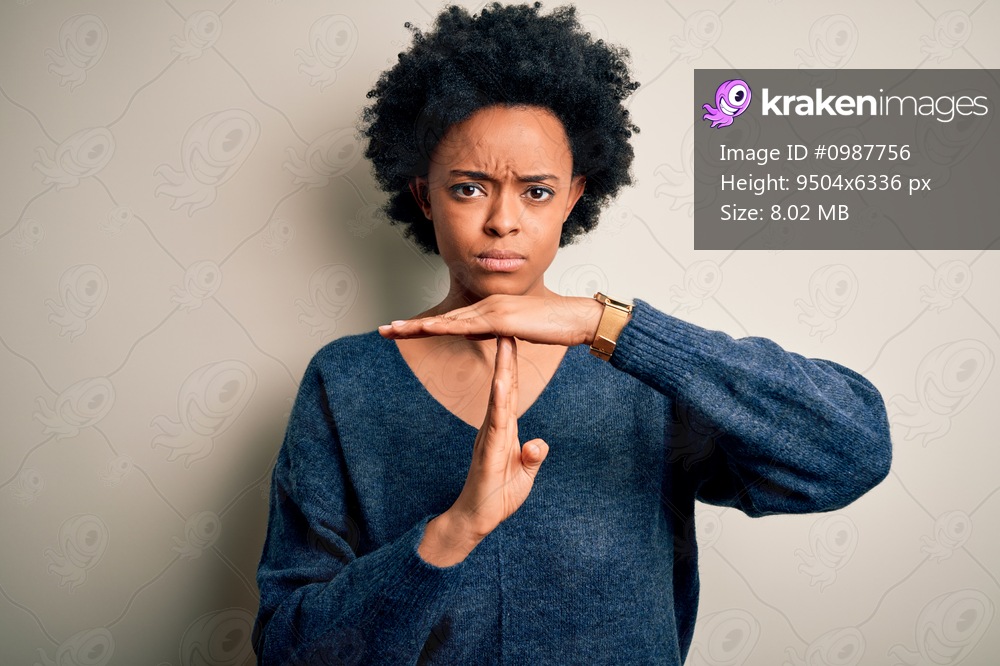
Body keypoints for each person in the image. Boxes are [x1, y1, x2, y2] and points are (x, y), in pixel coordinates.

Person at [252, 3, 892, 664]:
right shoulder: (347, 381)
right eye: (470, 189)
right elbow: (291, 647)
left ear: (574, 196)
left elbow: (853, 450)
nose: (503, 221)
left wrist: (606, 325)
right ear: (424, 196)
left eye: (535, 191)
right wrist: (452, 532)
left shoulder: (641, 373)